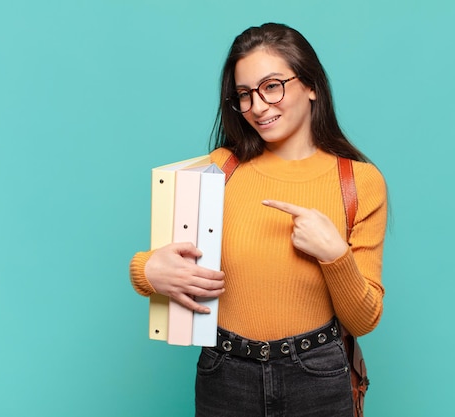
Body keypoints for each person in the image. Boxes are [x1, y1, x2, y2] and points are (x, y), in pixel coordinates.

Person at [129, 22, 388, 417]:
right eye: (244, 95)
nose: (258, 107)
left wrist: (334, 254)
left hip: (316, 374)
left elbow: (364, 318)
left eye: (271, 86)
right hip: (225, 373)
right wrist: (148, 271)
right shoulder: (220, 169)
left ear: (311, 85)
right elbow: (164, 261)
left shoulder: (358, 182)